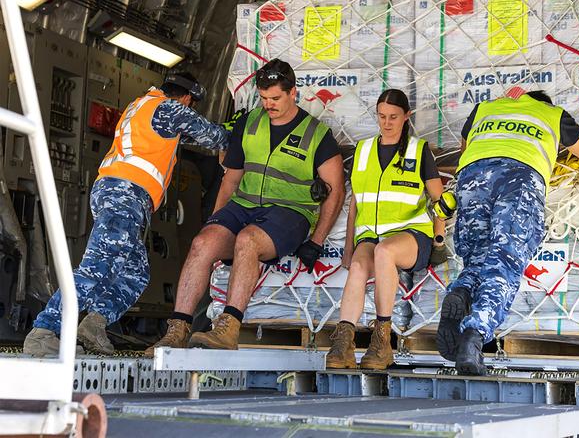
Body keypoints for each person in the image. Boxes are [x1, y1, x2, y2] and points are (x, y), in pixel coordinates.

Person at [145, 59, 345, 356]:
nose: (269, 105)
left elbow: (336, 191)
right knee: (202, 243)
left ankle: (228, 327)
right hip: (245, 204)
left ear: (293, 93)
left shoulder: (317, 134)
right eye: (264, 98)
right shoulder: (249, 123)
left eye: (275, 98)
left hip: (289, 212)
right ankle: (177, 330)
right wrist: (215, 222)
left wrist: (316, 241)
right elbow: (230, 180)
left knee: (247, 240)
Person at [23, 72, 231, 357]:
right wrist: (236, 137)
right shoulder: (167, 109)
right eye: (190, 105)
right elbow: (211, 134)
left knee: (135, 273)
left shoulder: (144, 106)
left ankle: (93, 325)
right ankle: (44, 330)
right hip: (125, 194)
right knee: (97, 266)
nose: (189, 109)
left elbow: (179, 139)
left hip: (120, 194)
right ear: (186, 98)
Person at [437, 90, 579, 375]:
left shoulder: (486, 108)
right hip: (519, 179)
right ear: (546, 102)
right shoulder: (553, 115)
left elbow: (465, 144)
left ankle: (462, 292)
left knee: (477, 257)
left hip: (472, 175)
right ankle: (475, 334)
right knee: (505, 259)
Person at [325, 89, 447, 370]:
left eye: (393, 117)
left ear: (407, 117)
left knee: (384, 251)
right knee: (357, 267)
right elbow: (355, 200)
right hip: (371, 234)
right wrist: (348, 248)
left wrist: (439, 241)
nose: (387, 122)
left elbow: (440, 200)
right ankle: (342, 342)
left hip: (412, 235)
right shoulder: (363, 150)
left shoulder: (419, 150)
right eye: (381, 116)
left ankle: (382, 340)